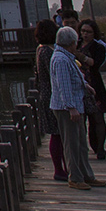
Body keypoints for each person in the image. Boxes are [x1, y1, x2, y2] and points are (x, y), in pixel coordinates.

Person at [50, 26, 102, 189]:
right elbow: (63, 86)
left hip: (76, 105)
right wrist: (71, 108)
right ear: (71, 43)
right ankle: (75, 177)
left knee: (80, 143)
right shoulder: (60, 59)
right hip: (67, 108)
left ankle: (86, 175)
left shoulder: (67, 56)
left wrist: (86, 86)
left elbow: (75, 76)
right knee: (72, 144)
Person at [32, 18, 63, 180]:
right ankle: (59, 169)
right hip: (52, 95)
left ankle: (62, 167)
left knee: (57, 133)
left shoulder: (40, 49)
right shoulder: (47, 52)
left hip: (46, 93)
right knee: (57, 133)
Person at [78, 17, 106, 160]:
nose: (85, 34)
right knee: (82, 119)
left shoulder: (98, 47)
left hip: (94, 83)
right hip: (80, 84)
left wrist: (82, 57)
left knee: (98, 118)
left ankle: (100, 148)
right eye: (83, 31)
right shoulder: (76, 44)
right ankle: (83, 147)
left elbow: (96, 64)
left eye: (89, 32)